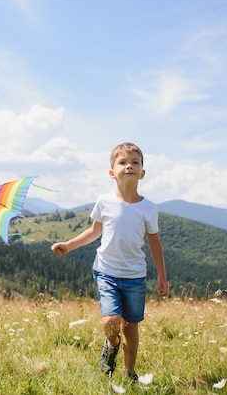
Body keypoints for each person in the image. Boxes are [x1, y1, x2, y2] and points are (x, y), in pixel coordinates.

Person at [51, 142, 169, 380]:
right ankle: (112, 344)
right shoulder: (104, 201)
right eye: (123, 162)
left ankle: (129, 372)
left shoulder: (148, 208)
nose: (129, 166)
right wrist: (68, 245)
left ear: (142, 173)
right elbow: (94, 232)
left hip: (135, 275)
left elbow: (154, 242)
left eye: (135, 162)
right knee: (112, 321)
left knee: (130, 326)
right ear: (111, 172)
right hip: (107, 272)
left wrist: (161, 274)